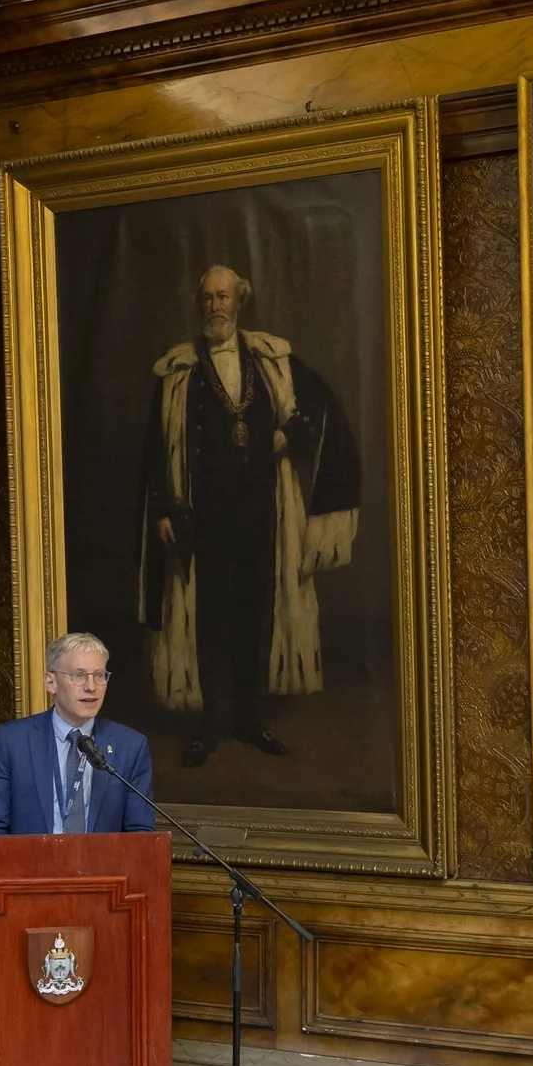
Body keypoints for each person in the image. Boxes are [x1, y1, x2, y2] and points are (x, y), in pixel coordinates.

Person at [138, 263, 358, 769]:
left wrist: (286, 436)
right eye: (208, 298)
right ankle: (208, 726)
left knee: (255, 616)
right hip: (203, 514)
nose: (215, 306)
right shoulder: (179, 372)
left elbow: (313, 413)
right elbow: (156, 447)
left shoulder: (270, 360)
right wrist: (166, 509)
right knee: (208, 619)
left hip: (262, 511)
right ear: (200, 305)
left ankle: (251, 720)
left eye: (223, 297)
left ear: (239, 301)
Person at [0, 633, 155, 835]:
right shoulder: (13, 741)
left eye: (99, 675)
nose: (91, 687)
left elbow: (141, 832)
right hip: (32, 856)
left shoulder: (130, 746)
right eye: (79, 675)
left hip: (103, 857)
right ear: (51, 683)